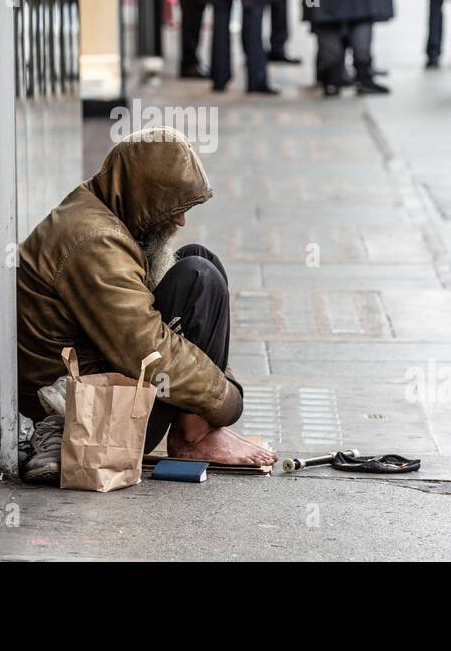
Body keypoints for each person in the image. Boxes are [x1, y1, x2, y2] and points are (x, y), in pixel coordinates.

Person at [16, 127, 278, 467]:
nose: (181, 220)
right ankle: (194, 437)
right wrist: (225, 398)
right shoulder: (95, 242)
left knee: (198, 259)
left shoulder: (95, 205)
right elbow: (147, 348)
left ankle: (196, 429)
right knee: (199, 276)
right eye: (172, 208)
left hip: (91, 385)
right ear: (143, 195)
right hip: (88, 419)